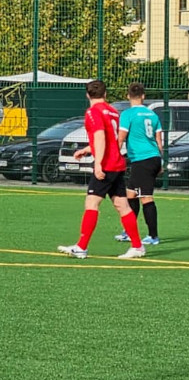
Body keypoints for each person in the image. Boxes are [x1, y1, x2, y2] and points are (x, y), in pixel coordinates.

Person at [57, 80, 143, 259]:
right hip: (117, 162)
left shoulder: (92, 112)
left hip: (107, 164)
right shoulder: (112, 111)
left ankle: (81, 247)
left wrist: (97, 164)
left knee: (91, 203)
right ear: (105, 94)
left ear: (87, 95)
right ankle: (137, 246)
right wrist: (88, 149)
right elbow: (112, 138)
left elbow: (101, 137)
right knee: (122, 204)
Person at [114, 82, 164, 254]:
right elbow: (159, 141)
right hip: (151, 158)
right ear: (143, 96)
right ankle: (129, 232)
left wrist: (113, 156)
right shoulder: (152, 114)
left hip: (143, 159)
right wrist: (161, 162)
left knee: (146, 198)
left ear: (128, 96)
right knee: (131, 194)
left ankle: (153, 236)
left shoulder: (127, 114)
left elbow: (121, 138)